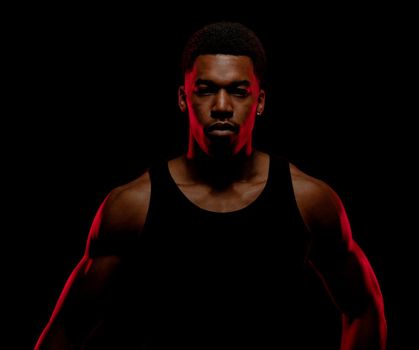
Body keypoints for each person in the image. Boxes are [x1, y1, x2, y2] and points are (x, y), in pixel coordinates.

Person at [35, 21, 387, 349]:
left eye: (238, 91)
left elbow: (363, 309)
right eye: (205, 91)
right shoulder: (133, 205)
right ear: (184, 98)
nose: (222, 106)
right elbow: (66, 329)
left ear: (260, 101)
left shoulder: (309, 200)